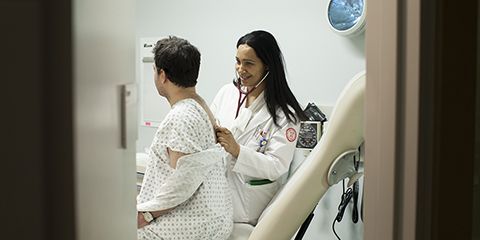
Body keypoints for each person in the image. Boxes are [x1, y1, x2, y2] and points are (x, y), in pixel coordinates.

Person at [136, 36, 233, 239]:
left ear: (162, 75)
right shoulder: (200, 107)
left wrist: (146, 214)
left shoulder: (181, 116)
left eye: (155, 70)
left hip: (188, 227)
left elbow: (182, 182)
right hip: (212, 219)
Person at [211, 30, 307, 225]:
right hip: (216, 199)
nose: (240, 69)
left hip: (250, 209)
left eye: (249, 63)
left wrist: (237, 151)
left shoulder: (285, 114)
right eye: (237, 61)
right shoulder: (226, 93)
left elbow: (277, 166)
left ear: (267, 66)